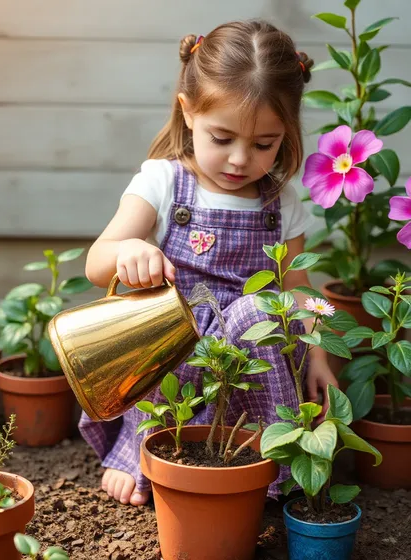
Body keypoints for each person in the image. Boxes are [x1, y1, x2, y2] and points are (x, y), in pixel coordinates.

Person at [80, 20, 338, 506]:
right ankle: (144, 450)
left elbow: (299, 287)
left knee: (258, 313)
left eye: (265, 144)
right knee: (171, 352)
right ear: (188, 113)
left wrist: (319, 356)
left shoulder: (282, 201)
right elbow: (98, 261)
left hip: (253, 356)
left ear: (287, 133)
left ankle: (269, 465)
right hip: (176, 341)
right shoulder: (164, 182)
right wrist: (130, 252)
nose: (241, 159)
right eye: (222, 137)